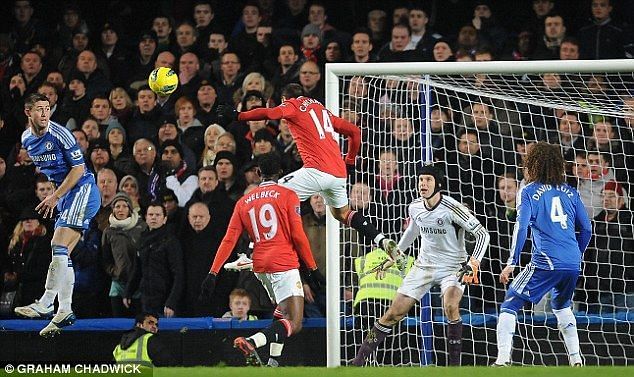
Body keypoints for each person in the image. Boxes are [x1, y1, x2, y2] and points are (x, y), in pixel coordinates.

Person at [223, 83, 401, 263]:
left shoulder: (293, 105)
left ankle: (251, 254)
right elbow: (354, 132)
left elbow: (270, 113)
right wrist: (349, 162)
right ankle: (383, 240)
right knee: (343, 214)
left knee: (266, 194)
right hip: (338, 174)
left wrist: (239, 116)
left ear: (285, 99)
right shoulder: (321, 109)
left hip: (316, 171)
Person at [352, 165, 490, 367]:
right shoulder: (415, 207)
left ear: (438, 184)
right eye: (421, 180)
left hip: (453, 266)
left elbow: (483, 234)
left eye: (428, 180)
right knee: (392, 314)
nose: (423, 184)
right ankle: (357, 362)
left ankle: (454, 367)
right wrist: (394, 254)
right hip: (424, 265)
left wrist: (473, 263)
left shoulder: (453, 207)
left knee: (451, 307)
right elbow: (411, 233)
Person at [200, 152, 323, 367]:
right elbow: (297, 235)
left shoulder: (243, 201)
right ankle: (253, 341)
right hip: (283, 264)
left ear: (258, 173)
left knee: (281, 313)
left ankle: (273, 362)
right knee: (295, 322)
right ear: (281, 173)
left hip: (260, 266)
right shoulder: (288, 195)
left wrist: (213, 272)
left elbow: (229, 240)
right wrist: (312, 268)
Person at [492, 142, 592, 367]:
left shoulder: (528, 191)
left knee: (510, 303)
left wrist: (512, 262)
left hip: (546, 260)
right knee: (562, 306)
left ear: (533, 165)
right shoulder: (571, 191)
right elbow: (587, 229)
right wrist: (577, 254)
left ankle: (502, 360)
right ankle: (576, 360)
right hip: (573, 262)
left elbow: (522, 227)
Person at [15, 93, 101, 337]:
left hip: (82, 189)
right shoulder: (27, 140)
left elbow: (79, 169)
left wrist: (54, 196)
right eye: (39, 109)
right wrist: (58, 196)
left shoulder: (61, 134)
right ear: (28, 112)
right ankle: (64, 309)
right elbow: (53, 171)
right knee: (63, 254)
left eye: (47, 109)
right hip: (66, 196)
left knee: (57, 244)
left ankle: (45, 302)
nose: (44, 114)